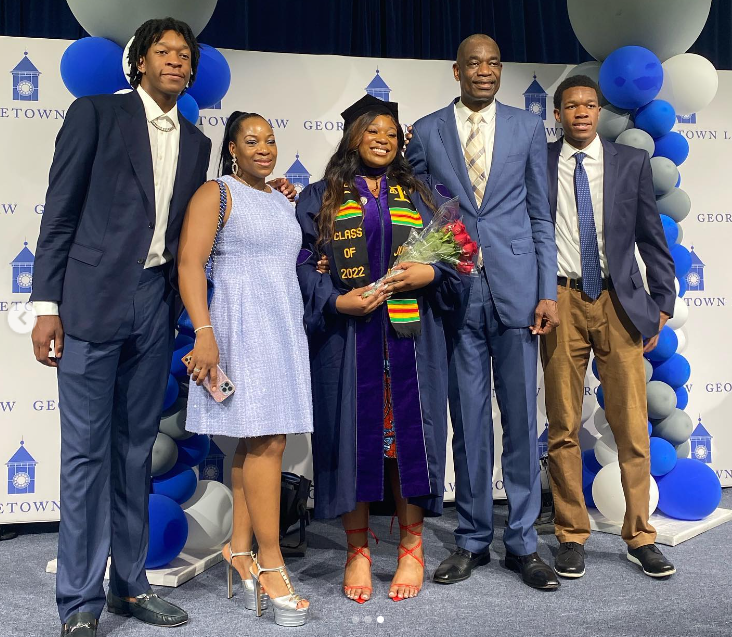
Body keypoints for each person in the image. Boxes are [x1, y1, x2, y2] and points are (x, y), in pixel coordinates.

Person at [30, 18, 211, 637]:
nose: (176, 62)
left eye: (184, 55)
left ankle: (129, 587)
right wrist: (45, 304)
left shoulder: (197, 142)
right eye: (163, 52)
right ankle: (78, 603)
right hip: (87, 304)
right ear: (139, 63)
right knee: (84, 455)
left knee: (135, 453)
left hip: (153, 308)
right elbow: (59, 215)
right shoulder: (97, 114)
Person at [296, 94, 466, 603]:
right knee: (354, 439)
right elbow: (303, 261)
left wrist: (430, 270)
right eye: (372, 131)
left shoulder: (423, 194)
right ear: (352, 136)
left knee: (408, 441)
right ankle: (358, 551)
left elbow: (457, 257)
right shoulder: (320, 196)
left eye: (391, 132)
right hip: (349, 340)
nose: (383, 139)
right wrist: (333, 299)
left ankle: (411, 548)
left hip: (412, 339)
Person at [405, 34, 560, 590]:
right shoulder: (424, 131)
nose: (486, 72)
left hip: (519, 292)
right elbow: (418, 212)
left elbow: (540, 217)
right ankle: (471, 539)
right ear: (456, 71)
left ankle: (522, 541)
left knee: (520, 418)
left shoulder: (525, 126)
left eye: (494, 64)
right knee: (468, 423)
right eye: (475, 63)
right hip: (455, 294)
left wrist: (548, 291)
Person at [178, 111, 312, 626]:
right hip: (237, 327)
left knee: (255, 439)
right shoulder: (217, 193)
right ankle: (272, 563)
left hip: (281, 325)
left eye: (271, 139)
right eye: (252, 140)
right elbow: (190, 263)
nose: (264, 147)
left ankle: (238, 550)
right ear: (232, 147)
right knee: (268, 442)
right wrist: (204, 333)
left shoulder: (280, 197)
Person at [543, 75, 676, 579]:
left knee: (630, 426)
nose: (581, 112)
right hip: (559, 299)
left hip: (620, 302)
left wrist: (662, 301)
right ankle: (571, 534)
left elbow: (650, 233)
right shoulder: (542, 162)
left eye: (589, 104)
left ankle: (641, 536)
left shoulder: (630, 162)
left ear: (598, 111)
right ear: (557, 114)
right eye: (571, 105)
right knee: (562, 425)